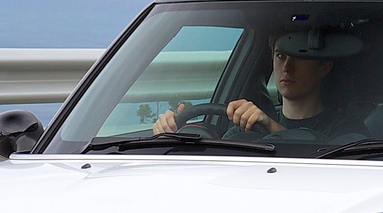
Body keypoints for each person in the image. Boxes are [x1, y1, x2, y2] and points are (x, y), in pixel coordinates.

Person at [152, 34, 367, 139]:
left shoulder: (347, 130)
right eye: (280, 56)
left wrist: (270, 127)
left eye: (299, 58)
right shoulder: (248, 126)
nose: (287, 67)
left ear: (324, 67)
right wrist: (172, 133)